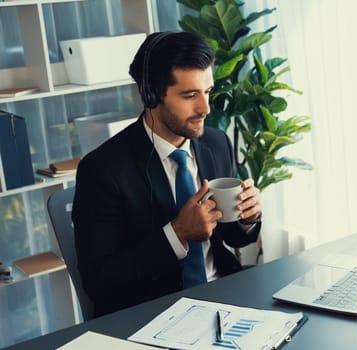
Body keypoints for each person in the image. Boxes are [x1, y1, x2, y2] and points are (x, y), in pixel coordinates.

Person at [72, 31, 262, 317]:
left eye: (208, 91)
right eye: (189, 95)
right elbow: (100, 282)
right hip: (152, 315)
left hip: (223, 300)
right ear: (148, 94)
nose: (205, 108)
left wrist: (247, 218)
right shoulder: (101, 170)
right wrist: (177, 235)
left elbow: (233, 238)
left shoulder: (216, 143)